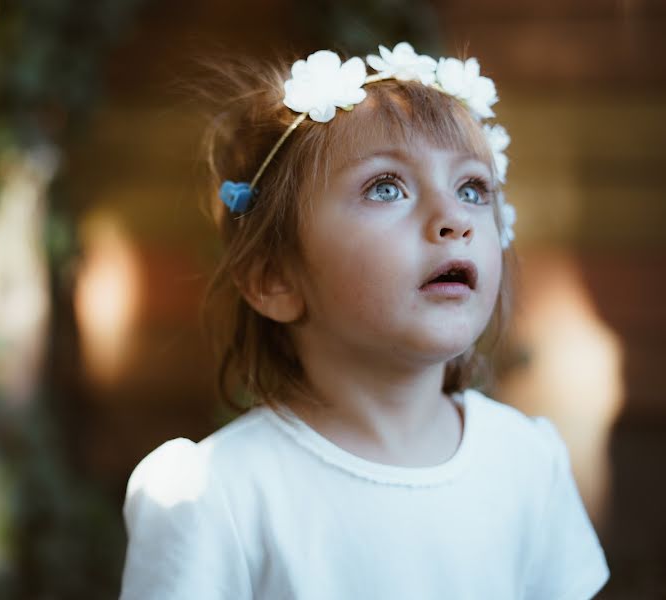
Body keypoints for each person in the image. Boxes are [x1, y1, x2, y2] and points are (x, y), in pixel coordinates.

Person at [119, 44, 610, 599]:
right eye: (386, 188)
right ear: (274, 279)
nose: (454, 219)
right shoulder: (219, 497)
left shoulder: (526, 463)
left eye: (472, 189)